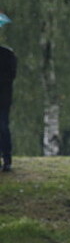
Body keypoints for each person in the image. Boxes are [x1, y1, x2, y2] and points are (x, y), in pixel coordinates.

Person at [0, 44, 17, 172]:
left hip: (2, 99)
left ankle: (7, 159)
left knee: (3, 127)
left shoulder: (7, 54)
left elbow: (11, 75)